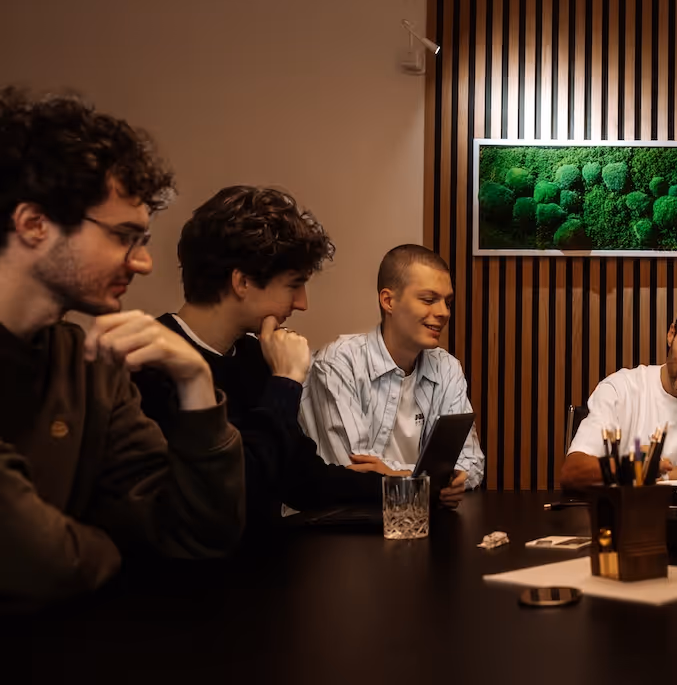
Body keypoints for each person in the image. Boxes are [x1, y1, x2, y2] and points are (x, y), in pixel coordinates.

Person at [0, 88, 243, 605]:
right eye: (123, 236)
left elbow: (196, 535)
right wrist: (109, 551)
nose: (142, 263)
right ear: (33, 224)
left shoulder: (89, 364)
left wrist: (196, 383)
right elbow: (36, 560)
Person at [132, 186, 391, 532]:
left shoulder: (254, 355)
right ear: (242, 282)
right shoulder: (153, 363)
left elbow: (301, 479)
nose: (302, 303)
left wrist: (401, 487)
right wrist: (284, 384)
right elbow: (236, 490)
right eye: (293, 285)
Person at [300, 244, 484, 508]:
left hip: (420, 521)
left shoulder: (447, 367)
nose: (444, 312)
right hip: (345, 529)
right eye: (429, 299)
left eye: (448, 302)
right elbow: (350, 470)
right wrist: (428, 479)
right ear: (388, 301)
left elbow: (473, 463)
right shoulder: (339, 361)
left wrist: (396, 474)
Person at [560, 291, 677, 490]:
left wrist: (645, 473)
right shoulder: (620, 389)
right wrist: (628, 468)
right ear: (671, 334)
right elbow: (573, 471)